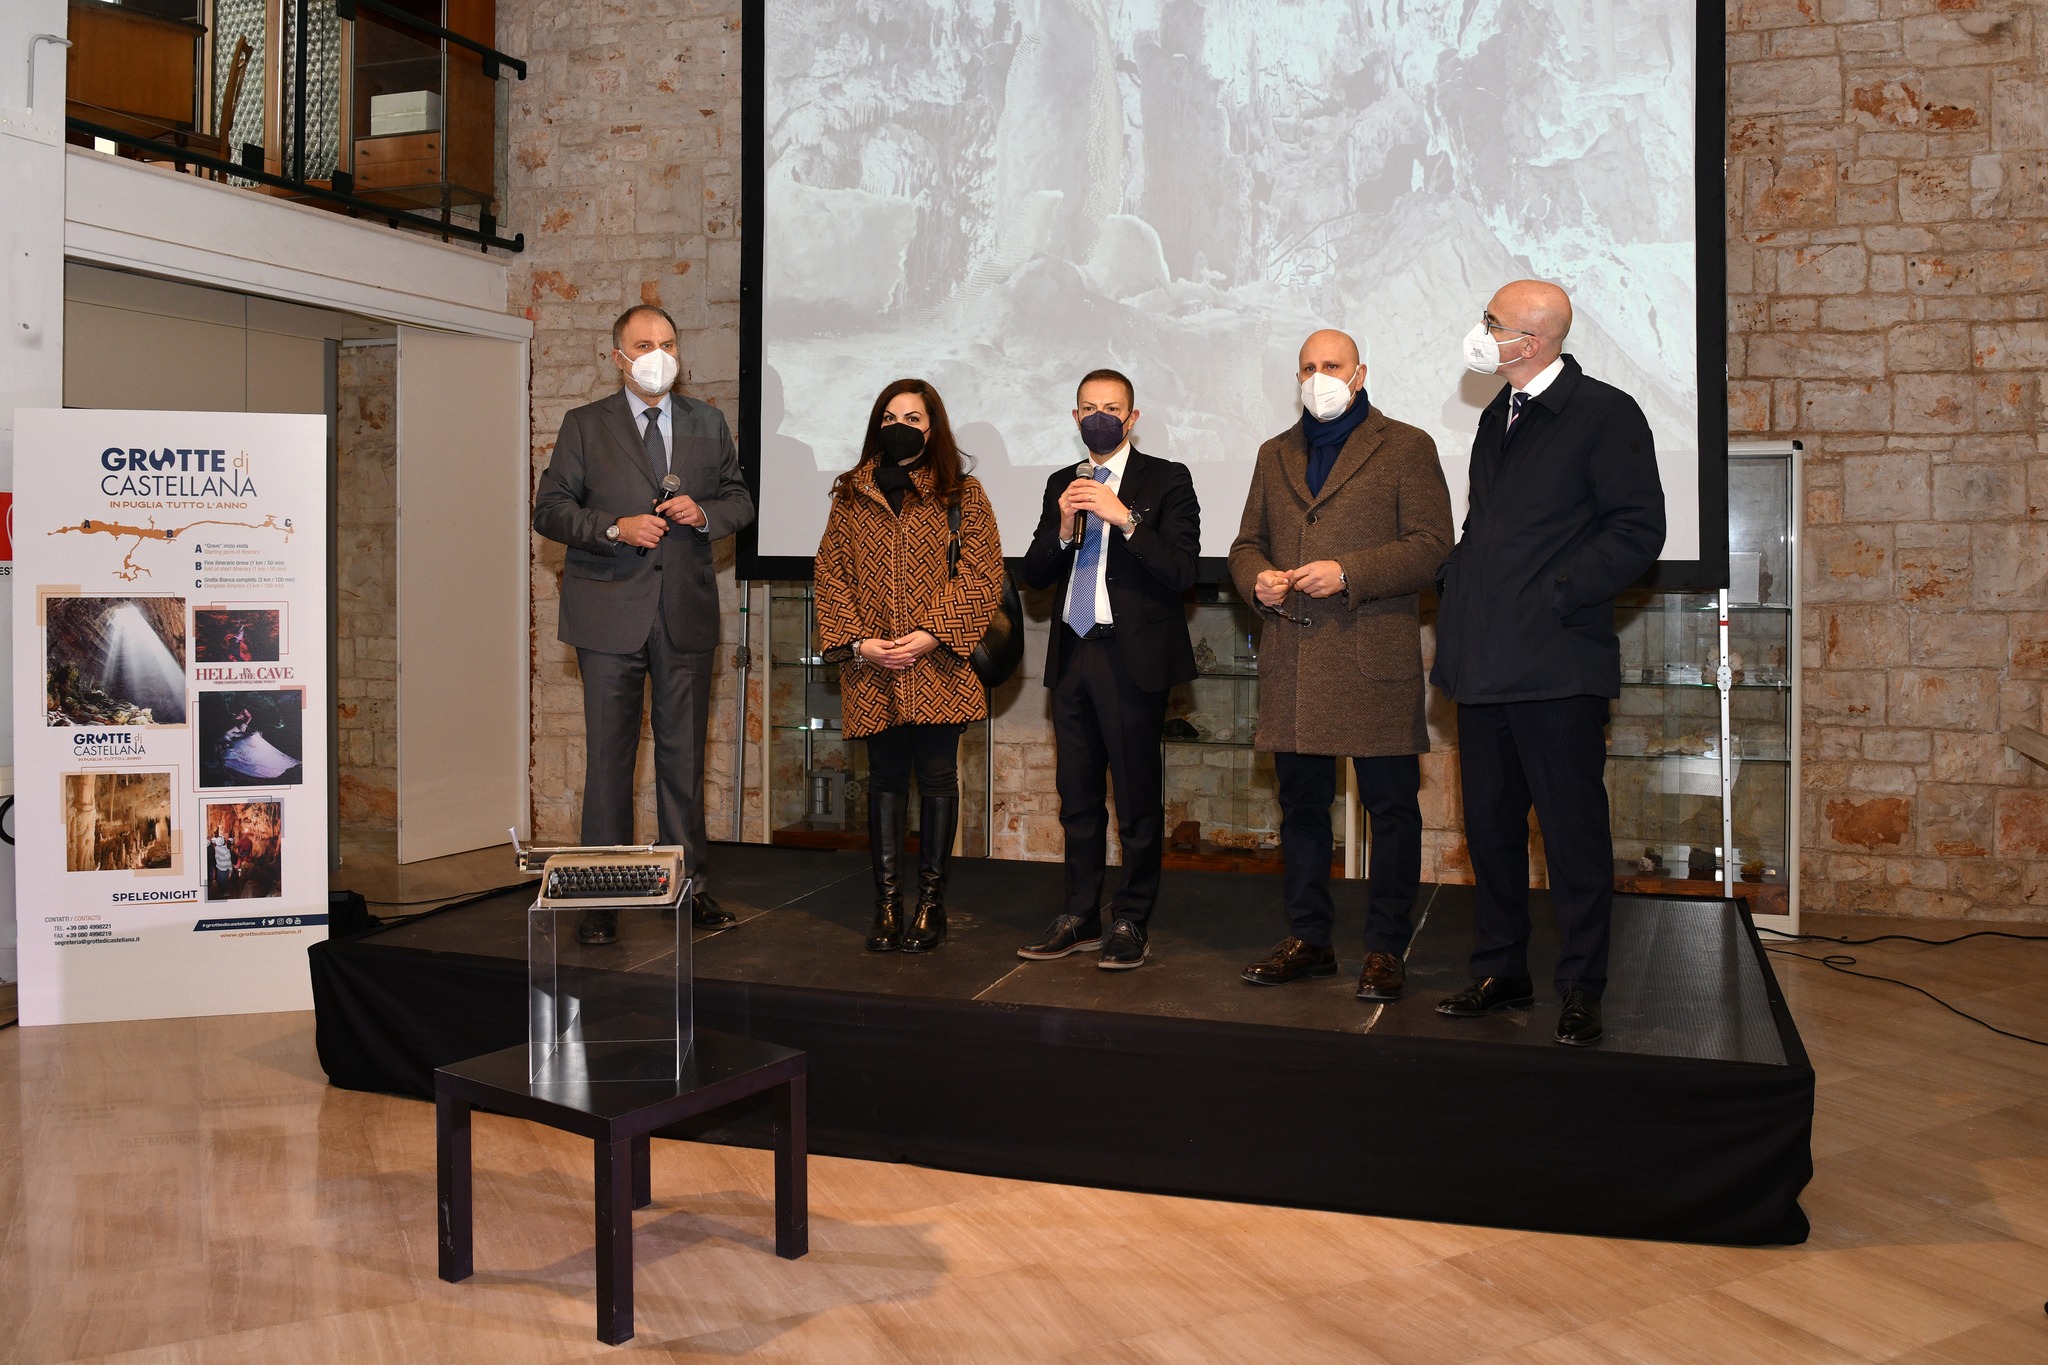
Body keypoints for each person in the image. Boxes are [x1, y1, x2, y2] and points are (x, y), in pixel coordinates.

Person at [1431, 280, 1666, 1046]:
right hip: (1486, 660)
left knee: (1570, 834)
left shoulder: (1604, 412)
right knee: (1490, 829)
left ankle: (1581, 984)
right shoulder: (1499, 414)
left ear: (1530, 340)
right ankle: (1502, 968)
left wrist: (1556, 592)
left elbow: (1637, 530)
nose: (1482, 331)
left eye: (1492, 322)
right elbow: (1490, 531)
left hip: (1558, 664)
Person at [1229, 329, 1452, 999]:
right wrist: (1257, 579)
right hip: (1294, 658)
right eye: (1307, 367)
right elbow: (1245, 544)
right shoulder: (1275, 454)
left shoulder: (1407, 445)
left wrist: (1348, 571)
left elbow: (1433, 547)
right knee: (1301, 807)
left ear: (1360, 373)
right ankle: (1310, 937)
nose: (1318, 376)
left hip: (1372, 656)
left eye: (1331, 365)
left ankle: (1385, 946)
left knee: (1390, 810)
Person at [533, 304, 756, 944]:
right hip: (608, 615)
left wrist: (704, 512)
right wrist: (614, 527)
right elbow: (549, 511)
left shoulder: (707, 423)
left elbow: (740, 500)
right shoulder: (584, 426)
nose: (657, 353)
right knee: (609, 761)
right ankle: (598, 898)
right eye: (643, 344)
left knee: (683, 760)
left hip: (684, 611)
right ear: (618, 357)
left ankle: (690, 890)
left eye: (666, 342)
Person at [1016, 370, 1200, 970]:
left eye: (1112, 408)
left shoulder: (1167, 479)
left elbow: (1182, 571)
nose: (1100, 416)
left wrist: (1125, 519)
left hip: (1131, 656)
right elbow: (1036, 575)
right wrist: (1065, 530)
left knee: (1138, 799)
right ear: (1074, 418)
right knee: (1077, 796)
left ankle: (1130, 918)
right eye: (1089, 408)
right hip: (1073, 651)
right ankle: (1080, 914)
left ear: (1132, 417)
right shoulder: (1058, 484)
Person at [813, 380, 1003, 954]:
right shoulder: (850, 495)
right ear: (878, 424)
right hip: (873, 666)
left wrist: (929, 636)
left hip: (939, 664)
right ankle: (888, 906)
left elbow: (983, 574)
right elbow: (830, 575)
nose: (902, 426)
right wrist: (858, 642)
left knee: (940, 779)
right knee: (885, 782)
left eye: (914, 417)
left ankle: (930, 906)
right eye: (891, 416)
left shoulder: (962, 494)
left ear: (932, 425)